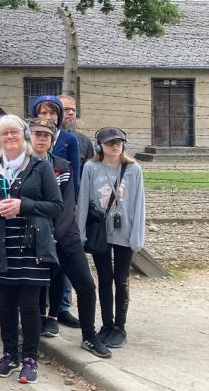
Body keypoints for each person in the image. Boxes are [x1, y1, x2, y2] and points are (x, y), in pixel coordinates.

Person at [0, 115, 62, 384]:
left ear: (23, 135)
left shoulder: (39, 167)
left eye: (14, 132)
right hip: (1, 245)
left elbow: (56, 207)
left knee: (30, 305)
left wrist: (24, 205)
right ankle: (9, 354)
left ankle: (30, 359)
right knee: (7, 305)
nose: (9, 136)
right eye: (4, 133)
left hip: (31, 246)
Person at [29, 118, 109, 358]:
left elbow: (66, 203)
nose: (41, 139)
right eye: (37, 134)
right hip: (34, 236)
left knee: (85, 284)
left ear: (53, 141)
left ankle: (89, 336)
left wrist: (55, 234)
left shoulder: (63, 166)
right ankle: (34, 333)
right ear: (29, 137)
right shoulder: (22, 167)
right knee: (34, 288)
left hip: (65, 236)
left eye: (46, 135)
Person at [76, 127, 146, 350]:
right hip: (101, 231)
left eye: (118, 142)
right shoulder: (91, 167)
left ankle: (120, 326)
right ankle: (106, 324)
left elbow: (139, 203)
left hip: (125, 229)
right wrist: (81, 232)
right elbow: (84, 200)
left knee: (121, 279)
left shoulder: (133, 169)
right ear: (100, 146)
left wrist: (137, 236)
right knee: (104, 279)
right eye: (109, 143)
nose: (114, 146)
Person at [30, 95, 82, 191]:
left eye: (53, 113)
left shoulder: (70, 139)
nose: (48, 117)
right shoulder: (29, 137)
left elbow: (74, 174)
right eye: (43, 113)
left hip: (62, 192)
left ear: (59, 116)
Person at [59, 95, 93, 163]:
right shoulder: (45, 137)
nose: (71, 113)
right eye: (66, 109)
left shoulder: (84, 140)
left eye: (74, 110)